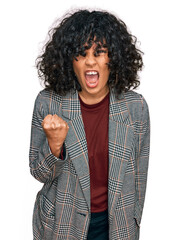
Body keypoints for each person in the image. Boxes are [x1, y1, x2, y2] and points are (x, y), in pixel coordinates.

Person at [29, 9, 150, 240]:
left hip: (116, 226)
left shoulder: (136, 108)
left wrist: (134, 220)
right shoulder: (48, 102)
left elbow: (138, 177)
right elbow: (38, 172)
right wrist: (55, 147)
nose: (91, 60)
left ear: (113, 58)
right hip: (61, 223)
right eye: (81, 53)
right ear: (69, 60)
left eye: (100, 52)